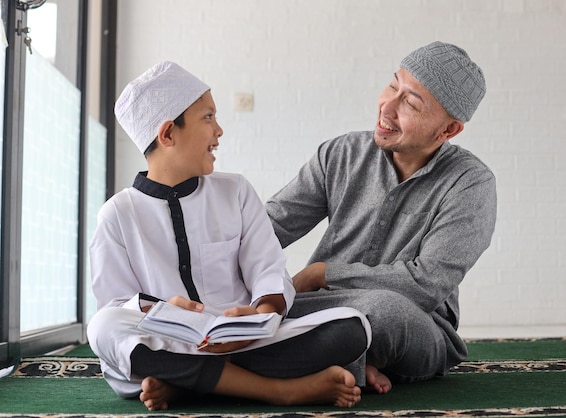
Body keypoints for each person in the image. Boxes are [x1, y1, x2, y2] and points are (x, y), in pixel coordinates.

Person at [87, 61, 371, 411]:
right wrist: (160, 307)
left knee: (352, 328)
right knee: (102, 328)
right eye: (208, 117)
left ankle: (184, 385)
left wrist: (260, 312)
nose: (219, 130)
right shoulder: (117, 214)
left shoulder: (235, 191)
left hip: (247, 340)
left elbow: (268, 268)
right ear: (168, 135)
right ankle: (280, 392)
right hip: (169, 343)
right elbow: (115, 306)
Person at [266, 41, 497, 394]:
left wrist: (321, 274)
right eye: (393, 85)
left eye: (410, 102)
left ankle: (256, 361)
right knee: (255, 306)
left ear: (447, 130)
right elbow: (270, 227)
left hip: (414, 325)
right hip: (322, 310)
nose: (386, 107)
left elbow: (426, 285)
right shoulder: (340, 153)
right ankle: (348, 364)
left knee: (385, 312)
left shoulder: (470, 183)